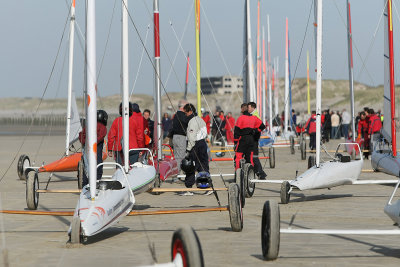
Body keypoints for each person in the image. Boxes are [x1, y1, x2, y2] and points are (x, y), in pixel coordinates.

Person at [181, 103, 209, 195]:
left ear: (189, 112)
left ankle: (189, 188)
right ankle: (207, 187)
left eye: (185, 113)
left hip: (195, 146)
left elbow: (191, 138)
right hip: (202, 144)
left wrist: (188, 151)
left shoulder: (192, 122)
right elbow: (205, 132)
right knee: (203, 166)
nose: (185, 115)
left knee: (189, 166)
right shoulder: (200, 119)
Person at [234, 107, 267, 179]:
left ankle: (238, 175)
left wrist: (235, 142)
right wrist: (255, 131)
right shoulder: (254, 117)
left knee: (238, 157)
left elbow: (236, 131)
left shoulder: (241, 118)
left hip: (243, 139)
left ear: (242, 110)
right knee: (250, 158)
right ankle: (251, 176)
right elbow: (263, 126)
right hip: (251, 139)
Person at [79, 110, 108, 186]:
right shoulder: (102, 127)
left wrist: (86, 142)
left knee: (87, 166)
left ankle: (85, 184)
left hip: (87, 148)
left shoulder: (89, 125)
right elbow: (101, 136)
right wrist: (93, 143)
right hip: (96, 149)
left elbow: (81, 135)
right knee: (98, 166)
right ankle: (96, 183)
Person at [169, 100, 192, 172]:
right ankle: (176, 175)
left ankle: (175, 174)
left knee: (176, 157)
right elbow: (185, 122)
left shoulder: (176, 115)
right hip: (180, 137)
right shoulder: (181, 115)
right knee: (180, 157)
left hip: (175, 137)